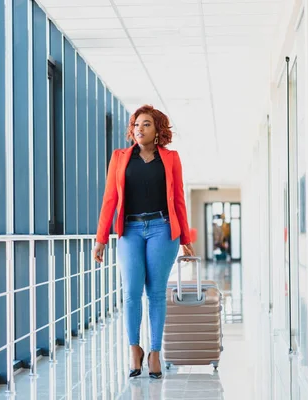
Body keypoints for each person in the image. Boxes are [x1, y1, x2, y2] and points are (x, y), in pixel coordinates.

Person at [93, 104, 194, 379]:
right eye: (137, 124)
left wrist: (185, 237)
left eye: (146, 124)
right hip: (130, 230)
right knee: (131, 291)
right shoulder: (120, 158)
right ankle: (134, 349)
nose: (140, 129)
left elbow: (179, 199)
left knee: (156, 292)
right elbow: (109, 200)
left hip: (162, 228)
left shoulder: (171, 159)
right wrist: (101, 239)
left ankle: (155, 353)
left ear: (157, 129)